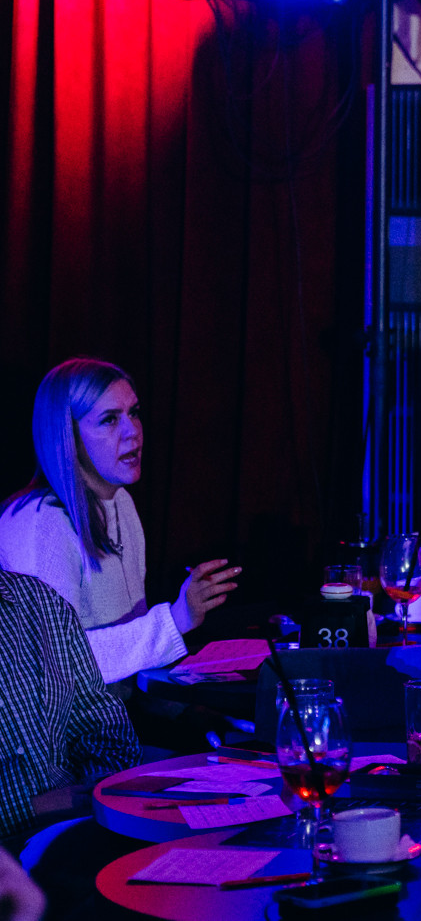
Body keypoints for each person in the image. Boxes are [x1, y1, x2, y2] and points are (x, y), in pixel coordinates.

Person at [0, 359, 239, 692]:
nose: (133, 431)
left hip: (117, 719)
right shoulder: (39, 522)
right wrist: (176, 619)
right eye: (110, 419)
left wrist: (182, 709)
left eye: (134, 413)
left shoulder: (121, 503)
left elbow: (128, 666)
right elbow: (54, 661)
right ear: (69, 436)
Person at [0, 568, 138, 841]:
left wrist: (99, 785)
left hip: (77, 821)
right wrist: (29, 808)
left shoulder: (39, 600)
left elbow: (98, 722)